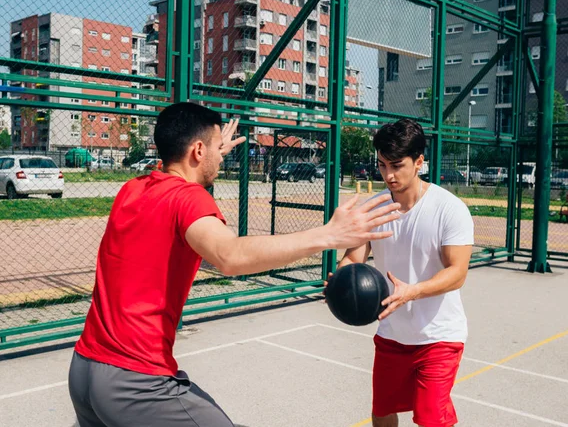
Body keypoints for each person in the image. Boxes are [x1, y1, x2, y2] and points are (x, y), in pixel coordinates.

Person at [68, 101, 401, 427]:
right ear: (198, 151)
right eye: (215, 147)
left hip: (84, 370)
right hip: (135, 382)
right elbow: (229, 256)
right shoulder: (189, 198)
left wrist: (208, 155)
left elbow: (178, 179)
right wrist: (328, 235)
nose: (221, 153)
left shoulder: (133, 190)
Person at [334, 118, 474, 427]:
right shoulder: (376, 208)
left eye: (397, 165)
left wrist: (412, 290)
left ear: (419, 162)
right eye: (382, 165)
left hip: (439, 336)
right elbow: (353, 257)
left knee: (430, 419)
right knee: (382, 411)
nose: (388, 174)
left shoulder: (449, 209)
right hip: (392, 334)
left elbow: (458, 272)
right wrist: (340, 280)